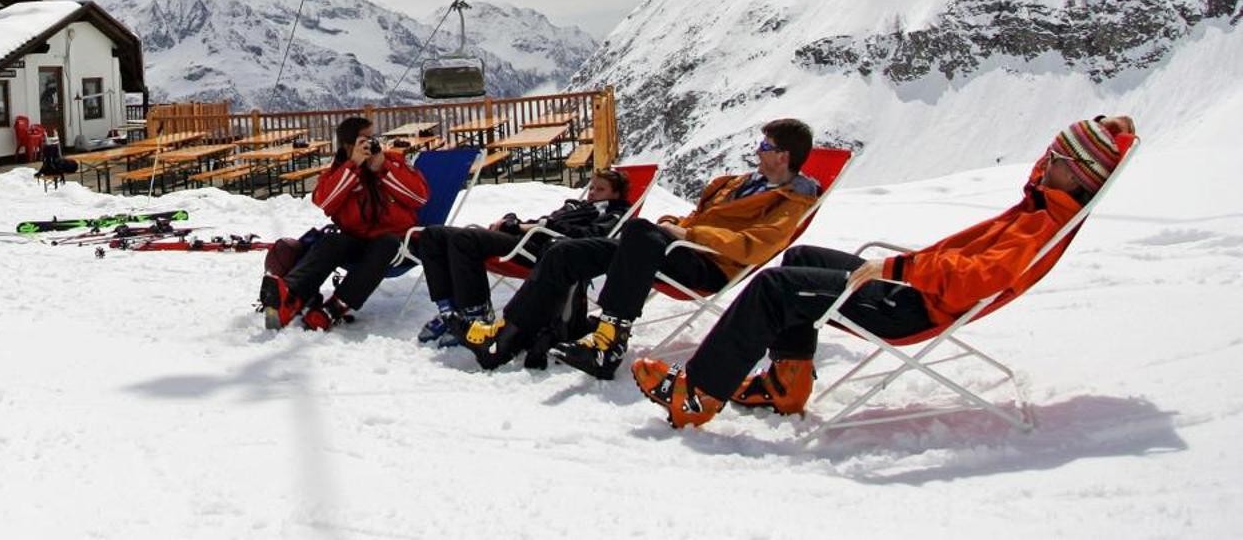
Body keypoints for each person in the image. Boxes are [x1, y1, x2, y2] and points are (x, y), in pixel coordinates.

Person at [632, 115, 1136, 429]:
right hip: (915, 284)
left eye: (1057, 159)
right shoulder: (1048, 201)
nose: (1044, 163)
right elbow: (1051, 171)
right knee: (804, 259)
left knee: (774, 286)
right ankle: (788, 381)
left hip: (912, 304)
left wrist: (896, 267)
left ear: (1077, 172)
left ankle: (697, 393)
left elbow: (974, 278)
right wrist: (1111, 132)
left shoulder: (1041, 223)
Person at [464, 118, 820, 377]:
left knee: (638, 232)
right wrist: (675, 226)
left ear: (783, 156)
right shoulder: (740, 183)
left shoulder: (792, 200)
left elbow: (754, 247)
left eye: (766, 147)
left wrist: (689, 237)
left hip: (709, 264)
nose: (758, 152)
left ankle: (609, 342)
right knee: (567, 252)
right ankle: (508, 336)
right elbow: (695, 216)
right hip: (672, 249)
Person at [406, 168, 632, 348]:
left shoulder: (612, 214)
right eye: (591, 187)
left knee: (464, 240)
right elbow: (546, 221)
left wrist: (525, 227)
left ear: (616, 194)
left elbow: (586, 238)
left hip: (545, 252)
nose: (592, 193)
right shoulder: (578, 206)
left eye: (600, 189)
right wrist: (513, 222)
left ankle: (476, 315)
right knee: (432, 235)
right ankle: (449, 310)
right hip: (528, 238)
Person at [260, 116, 430, 331]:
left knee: (385, 243)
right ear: (348, 145)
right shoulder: (338, 173)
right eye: (365, 139)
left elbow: (420, 197)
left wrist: (382, 168)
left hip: (399, 242)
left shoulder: (392, 162)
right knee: (332, 240)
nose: (372, 144)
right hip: (359, 242)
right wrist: (353, 167)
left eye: (373, 138)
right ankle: (290, 295)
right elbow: (325, 201)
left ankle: (336, 307)